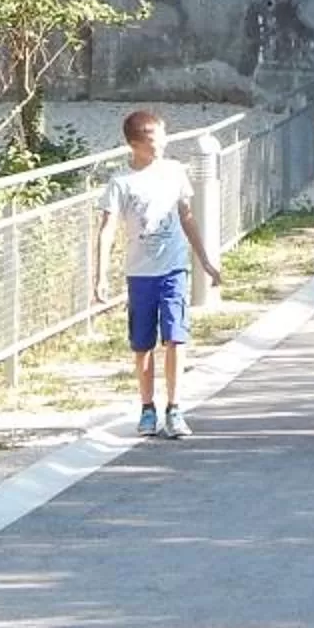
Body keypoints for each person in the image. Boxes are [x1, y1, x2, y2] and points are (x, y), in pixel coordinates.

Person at [91, 109, 224, 441]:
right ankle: (148, 406)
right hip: (140, 273)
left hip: (173, 269)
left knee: (175, 337)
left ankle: (175, 407)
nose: (160, 145)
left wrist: (205, 260)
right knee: (142, 344)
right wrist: (101, 275)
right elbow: (107, 230)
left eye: (162, 137)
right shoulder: (121, 182)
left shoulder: (175, 172)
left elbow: (187, 217)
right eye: (152, 141)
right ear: (134, 145)